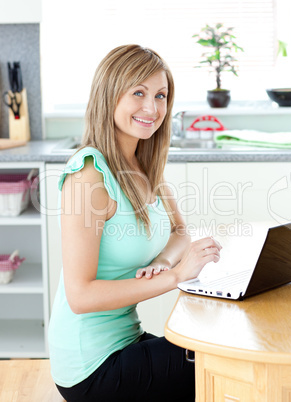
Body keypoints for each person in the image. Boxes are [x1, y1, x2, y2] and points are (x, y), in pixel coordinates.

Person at [48, 44, 222, 402]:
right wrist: (174, 276)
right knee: (219, 365)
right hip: (92, 365)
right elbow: (79, 296)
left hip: (126, 339)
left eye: (160, 95)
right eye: (138, 93)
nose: (152, 108)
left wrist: (162, 262)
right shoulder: (89, 174)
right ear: (109, 95)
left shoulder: (143, 164)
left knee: (215, 352)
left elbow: (179, 232)